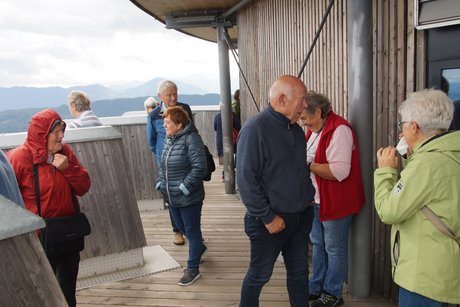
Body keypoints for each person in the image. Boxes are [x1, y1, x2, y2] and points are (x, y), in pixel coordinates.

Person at [374, 89, 460, 307]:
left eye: (402, 124)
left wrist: (385, 171)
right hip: (448, 267)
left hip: (425, 276)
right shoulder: (450, 152)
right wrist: (409, 159)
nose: (401, 131)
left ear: (414, 126)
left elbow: (389, 210)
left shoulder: (427, 164)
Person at [236, 75, 315, 307]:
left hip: (300, 218)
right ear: (281, 100)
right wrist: (268, 217)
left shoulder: (296, 130)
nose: (305, 105)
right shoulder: (255, 129)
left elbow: (299, 170)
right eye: (301, 100)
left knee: (300, 274)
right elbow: (245, 180)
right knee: (259, 275)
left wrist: (307, 196)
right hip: (269, 222)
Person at [6, 109, 91, 307]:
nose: (61, 136)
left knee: (67, 292)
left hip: (68, 235)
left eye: (62, 130)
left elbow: (84, 187)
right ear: (41, 134)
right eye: (56, 132)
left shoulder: (65, 152)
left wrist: (68, 169)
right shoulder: (19, 158)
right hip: (38, 240)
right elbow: (7, 200)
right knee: (43, 294)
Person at [299, 91, 365, 307]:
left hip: (337, 201)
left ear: (318, 111)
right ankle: (316, 285)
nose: (303, 122)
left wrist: (307, 165)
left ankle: (332, 293)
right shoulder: (315, 131)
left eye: (305, 117)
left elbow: (339, 172)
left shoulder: (340, 130)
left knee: (334, 249)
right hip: (317, 200)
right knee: (319, 244)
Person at [155, 106, 208, 286]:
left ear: (178, 124)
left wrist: (184, 187)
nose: (164, 126)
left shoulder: (192, 139)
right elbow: (164, 166)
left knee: (192, 233)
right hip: (172, 195)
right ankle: (199, 248)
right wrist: (160, 182)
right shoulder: (170, 139)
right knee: (179, 226)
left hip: (188, 196)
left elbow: (200, 168)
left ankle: (192, 269)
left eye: (167, 122)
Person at [147, 80, 195, 246]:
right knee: (172, 199)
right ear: (160, 97)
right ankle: (177, 231)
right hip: (166, 165)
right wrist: (164, 156)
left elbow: (192, 132)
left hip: (186, 163)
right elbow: (152, 142)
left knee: (188, 196)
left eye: (176, 93)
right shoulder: (153, 116)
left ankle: (192, 232)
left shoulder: (185, 109)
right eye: (169, 95)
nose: (174, 97)